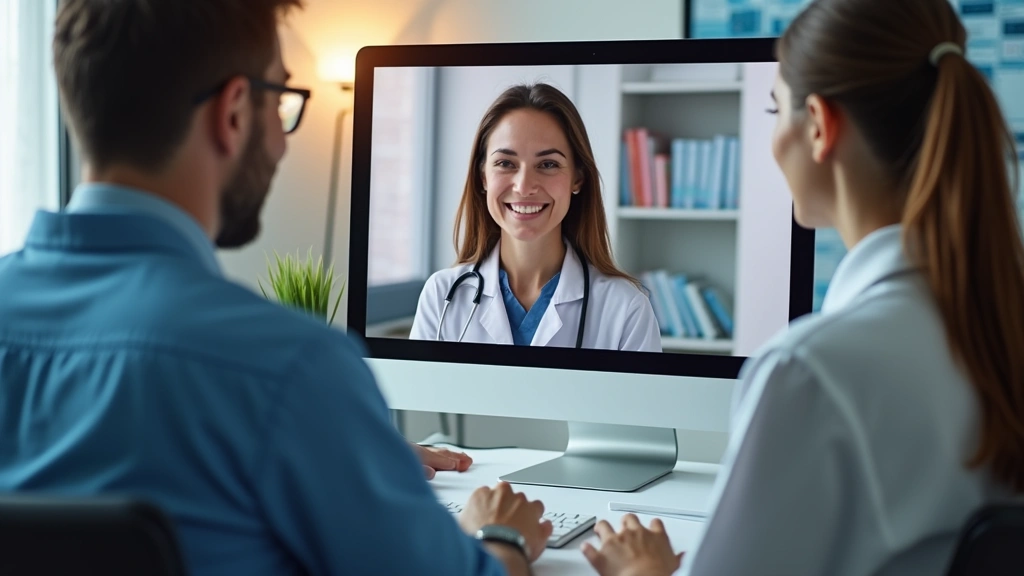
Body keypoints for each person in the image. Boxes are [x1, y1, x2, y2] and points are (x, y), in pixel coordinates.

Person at [0, 1, 553, 575]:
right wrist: (502, 537)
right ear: (234, 111)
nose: (285, 143)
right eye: (283, 101)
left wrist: (343, 455)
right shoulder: (289, 369)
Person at [581, 0, 1024, 574]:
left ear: (818, 124)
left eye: (774, 108)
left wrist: (642, 568)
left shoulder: (811, 373)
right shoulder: (998, 325)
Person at [410, 83, 662, 351]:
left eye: (548, 164)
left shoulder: (626, 308)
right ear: (483, 176)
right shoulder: (442, 294)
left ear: (577, 178)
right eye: (505, 163)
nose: (524, 186)